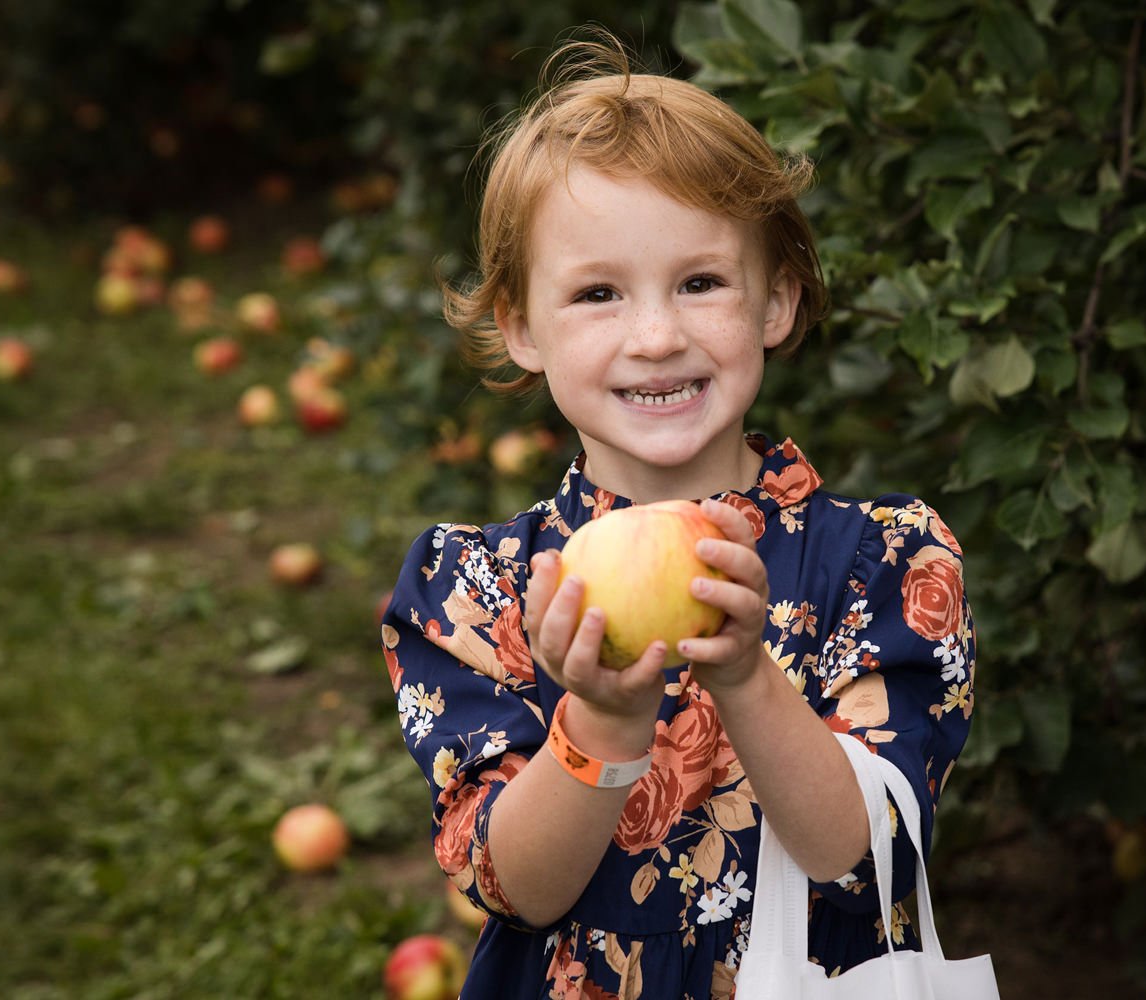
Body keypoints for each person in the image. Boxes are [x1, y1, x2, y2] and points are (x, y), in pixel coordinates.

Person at [381, 36, 976, 999]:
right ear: (522, 326)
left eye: (701, 283)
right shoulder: (477, 591)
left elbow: (856, 857)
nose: (656, 337)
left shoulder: (886, 562)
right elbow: (516, 889)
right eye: (598, 294)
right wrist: (604, 720)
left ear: (776, 301)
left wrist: (744, 675)